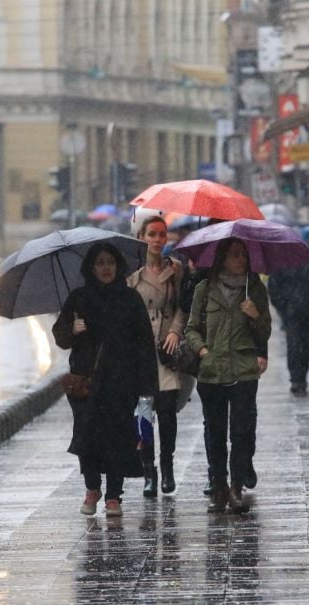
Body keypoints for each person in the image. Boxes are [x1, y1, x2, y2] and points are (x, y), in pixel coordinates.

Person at [52, 242, 159, 517]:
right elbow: (61, 337)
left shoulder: (130, 299)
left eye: (110, 262)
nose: (106, 268)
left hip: (121, 382)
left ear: (118, 265)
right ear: (91, 267)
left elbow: (144, 345)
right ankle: (92, 487)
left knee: (117, 439)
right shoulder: (78, 299)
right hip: (86, 384)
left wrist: (147, 388)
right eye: (100, 263)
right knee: (86, 439)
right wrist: (71, 330)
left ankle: (114, 495)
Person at [185, 238, 271, 513]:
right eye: (234, 255)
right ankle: (219, 485)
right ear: (222, 258)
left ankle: (236, 487)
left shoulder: (254, 289)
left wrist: (255, 314)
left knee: (242, 431)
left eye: (243, 255)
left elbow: (265, 331)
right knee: (215, 431)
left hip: (244, 369)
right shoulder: (204, 289)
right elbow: (191, 328)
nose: (240, 260)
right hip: (211, 372)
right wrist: (202, 351)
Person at [127, 208, 187, 497]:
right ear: (141, 237)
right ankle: (148, 470)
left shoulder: (175, 269)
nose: (158, 239)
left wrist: (175, 331)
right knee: (144, 413)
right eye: (152, 234)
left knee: (167, 412)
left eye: (162, 234)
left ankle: (168, 467)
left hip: (166, 350)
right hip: (140, 353)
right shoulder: (131, 274)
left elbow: (182, 307)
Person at [268, 252, 309, 397]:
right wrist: (284, 308)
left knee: (307, 345)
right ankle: (296, 379)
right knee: (294, 344)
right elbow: (273, 288)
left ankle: (303, 376)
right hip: (291, 314)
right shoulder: (280, 264)